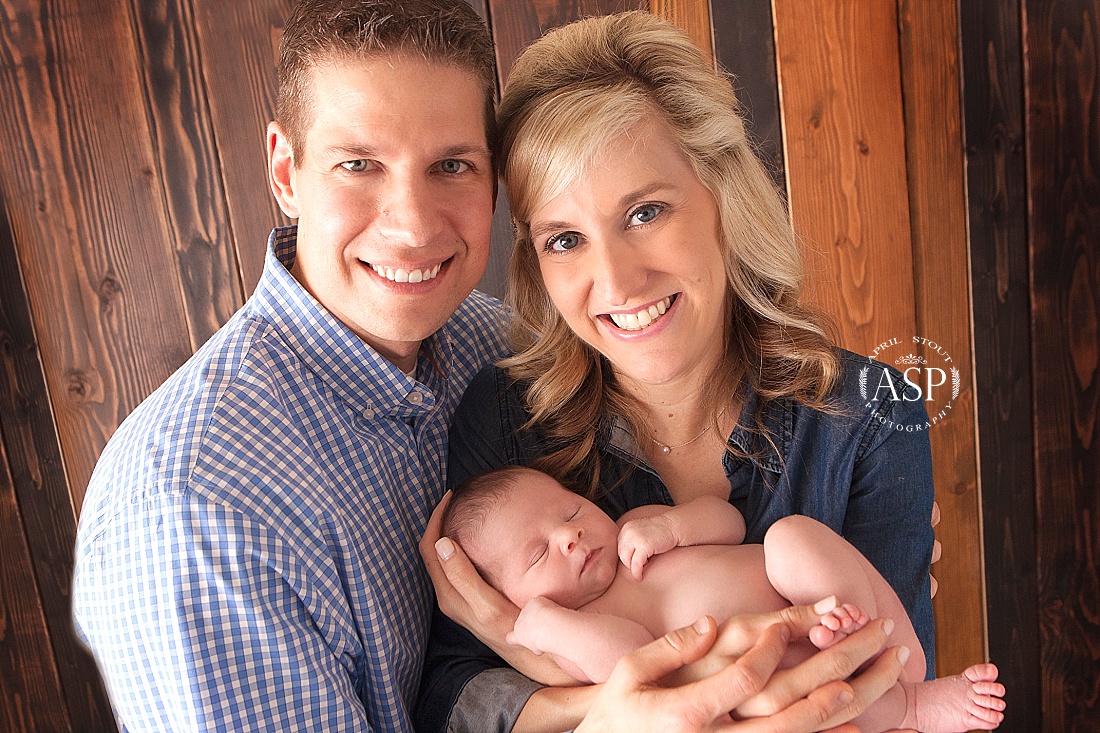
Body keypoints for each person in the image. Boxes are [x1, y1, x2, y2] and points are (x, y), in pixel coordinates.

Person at [71, 2, 904, 731]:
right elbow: (450, 693)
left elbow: (899, 678)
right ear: (286, 171)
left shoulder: (487, 347)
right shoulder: (191, 508)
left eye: (451, 166)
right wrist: (592, 698)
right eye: (359, 163)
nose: (410, 224)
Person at [417, 10, 948, 732]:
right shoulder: (506, 420)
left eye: (645, 212)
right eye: (565, 238)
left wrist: (542, 662)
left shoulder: (869, 414)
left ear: (723, 196)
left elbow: (892, 693)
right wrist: (616, 708)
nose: (618, 282)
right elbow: (452, 701)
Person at [442, 466, 1005, 732]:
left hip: (816, 598)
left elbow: (733, 523)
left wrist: (675, 526)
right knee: (785, 694)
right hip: (780, 671)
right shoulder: (572, 636)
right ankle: (914, 708)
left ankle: (874, 643)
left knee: (790, 536)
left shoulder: (635, 528)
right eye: (538, 555)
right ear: (509, 600)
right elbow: (634, 661)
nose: (570, 536)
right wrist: (544, 626)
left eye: (569, 510)